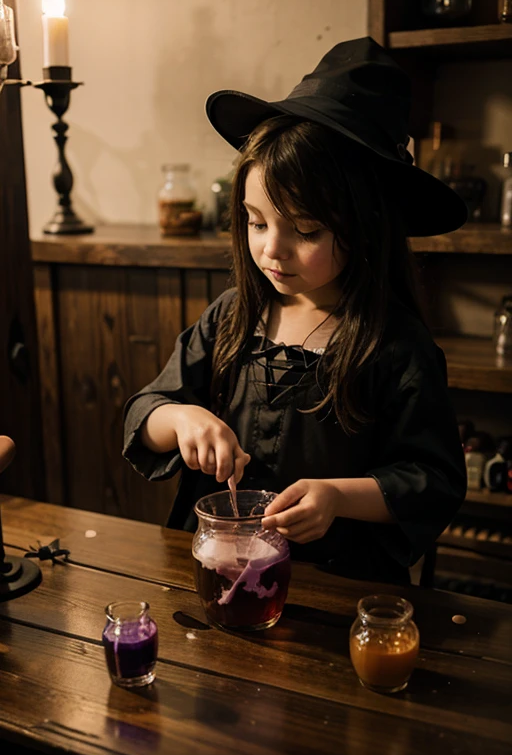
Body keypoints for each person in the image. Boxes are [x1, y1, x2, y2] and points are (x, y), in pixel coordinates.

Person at [123, 37, 467, 584]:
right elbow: (147, 410)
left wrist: (337, 496)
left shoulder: (395, 346)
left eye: (305, 230)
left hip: (335, 586)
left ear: (366, 228)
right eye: (257, 222)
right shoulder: (232, 317)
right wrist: (182, 419)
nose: (271, 250)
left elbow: (433, 478)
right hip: (221, 569)